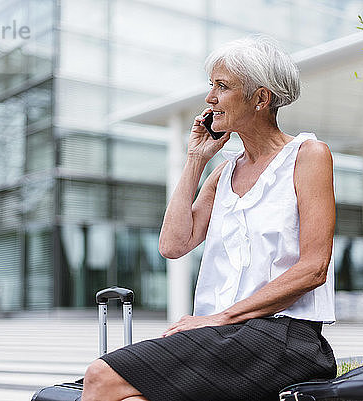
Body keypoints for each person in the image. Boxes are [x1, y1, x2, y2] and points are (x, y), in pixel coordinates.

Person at [81, 34, 337, 401]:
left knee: (100, 376)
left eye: (222, 86)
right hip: (222, 336)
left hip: (282, 336)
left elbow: (314, 267)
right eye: (211, 85)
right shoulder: (224, 173)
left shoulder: (308, 155)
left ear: (261, 98)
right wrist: (196, 160)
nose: (209, 98)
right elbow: (173, 245)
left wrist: (223, 317)